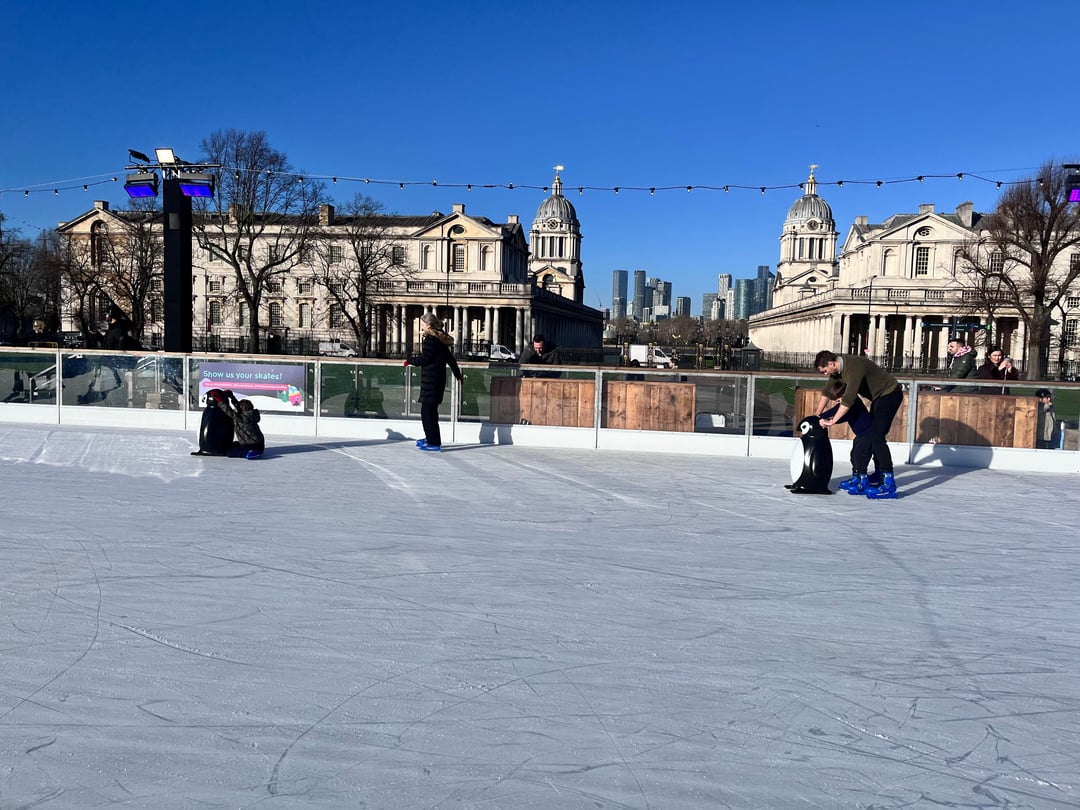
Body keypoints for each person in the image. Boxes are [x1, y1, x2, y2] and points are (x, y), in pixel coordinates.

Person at [814, 349, 903, 498]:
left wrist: (833, 421)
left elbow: (849, 399)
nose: (826, 374)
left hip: (890, 394)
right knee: (874, 435)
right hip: (878, 397)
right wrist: (817, 415)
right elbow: (827, 392)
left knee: (876, 436)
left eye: (825, 371)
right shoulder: (837, 371)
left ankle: (888, 482)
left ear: (831, 363)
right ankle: (879, 474)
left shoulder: (854, 367)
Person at [405, 313, 462, 452]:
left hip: (431, 381)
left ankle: (433, 442)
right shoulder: (440, 339)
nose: (422, 326)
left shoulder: (431, 340)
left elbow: (425, 359)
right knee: (431, 412)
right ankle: (432, 438)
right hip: (438, 380)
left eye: (423, 324)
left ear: (428, 325)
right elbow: (450, 359)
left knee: (427, 413)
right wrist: (458, 375)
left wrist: (409, 361)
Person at [820, 378, 878, 488]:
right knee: (854, 455)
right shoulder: (847, 405)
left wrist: (823, 417)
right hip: (861, 434)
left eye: (839, 399)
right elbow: (842, 415)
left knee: (860, 456)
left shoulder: (853, 402)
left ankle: (863, 480)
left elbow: (838, 413)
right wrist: (824, 418)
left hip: (868, 433)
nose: (837, 401)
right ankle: (856, 477)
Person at [218, 389, 265, 459]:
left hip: (252, 445)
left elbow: (229, 411)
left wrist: (220, 401)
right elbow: (238, 406)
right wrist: (231, 396)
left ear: (242, 409)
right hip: (258, 444)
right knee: (231, 445)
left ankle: (249, 453)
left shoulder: (242, 417)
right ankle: (253, 450)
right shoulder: (250, 414)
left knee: (229, 453)